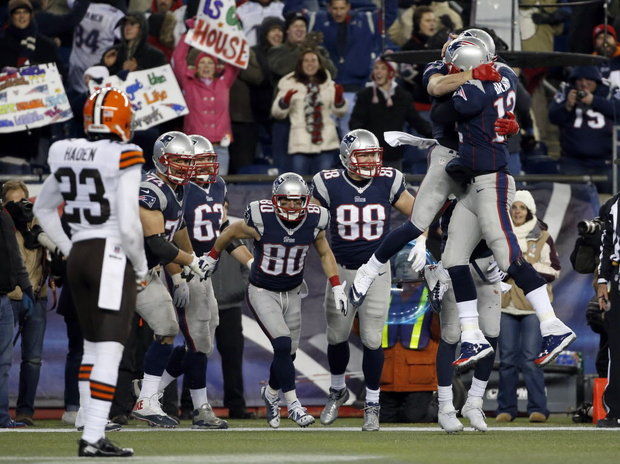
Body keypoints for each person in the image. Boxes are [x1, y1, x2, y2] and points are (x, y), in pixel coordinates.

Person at [349, 33, 574, 369]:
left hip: (485, 172)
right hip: (463, 164)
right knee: (453, 257)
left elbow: (443, 110)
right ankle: (471, 336)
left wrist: (475, 88)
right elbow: (438, 88)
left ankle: (552, 324)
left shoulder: (477, 88)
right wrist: (473, 79)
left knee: (504, 251)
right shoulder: (499, 75)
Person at [33, 87, 147, 456]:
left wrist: (69, 248)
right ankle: (94, 436)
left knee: (92, 349)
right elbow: (129, 224)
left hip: (80, 252)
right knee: (110, 350)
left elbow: (43, 209)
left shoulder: (65, 151)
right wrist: (142, 266)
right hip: (111, 254)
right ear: (123, 121)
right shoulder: (124, 154)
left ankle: (89, 426)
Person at [200, 173, 348, 428]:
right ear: (275, 200)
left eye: (297, 201)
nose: (291, 207)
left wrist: (336, 285)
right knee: (281, 344)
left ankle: (270, 393)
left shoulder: (315, 219)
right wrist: (213, 256)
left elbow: (324, 252)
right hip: (262, 290)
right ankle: (293, 405)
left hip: (293, 291)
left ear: (306, 200)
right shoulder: (262, 217)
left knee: (287, 355)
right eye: (286, 201)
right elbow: (229, 231)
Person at [311, 129, 416, 431]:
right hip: (343, 270)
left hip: (378, 269)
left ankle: (372, 403)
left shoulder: (388, 179)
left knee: (372, 339)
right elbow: (315, 227)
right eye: (364, 155)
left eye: (374, 154)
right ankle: (336, 390)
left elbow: (417, 214)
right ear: (346, 158)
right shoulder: (327, 183)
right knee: (337, 336)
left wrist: (421, 242)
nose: (371, 161)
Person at [154, 135, 252, 429]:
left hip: (204, 270)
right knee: (198, 342)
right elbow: (167, 238)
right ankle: (200, 409)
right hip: (186, 267)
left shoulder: (218, 185)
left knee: (202, 342)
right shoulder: (178, 190)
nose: (208, 166)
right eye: (200, 160)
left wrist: (249, 262)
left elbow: (222, 231)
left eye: (211, 159)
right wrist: (177, 275)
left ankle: (150, 392)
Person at [130, 131, 209, 428]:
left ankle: (147, 400)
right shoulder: (150, 189)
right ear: (160, 161)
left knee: (167, 329)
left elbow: (177, 229)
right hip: (119, 270)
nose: (184, 167)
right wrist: (191, 261)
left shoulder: (177, 187)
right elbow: (156, 243)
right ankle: (86, 411)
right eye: (177, 161)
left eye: (187, 161)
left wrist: (189, 263)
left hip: (146, 272)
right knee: (106, 340)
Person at [284, 0, 398, 134]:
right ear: (328, 7)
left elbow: (389, 14)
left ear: (349, 7)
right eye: (335, 8)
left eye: (342, 8)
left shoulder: (368, 20)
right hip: (324, 90)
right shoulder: (316, 20)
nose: (338, 13)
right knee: (324, 138)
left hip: (355, 90)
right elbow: (290, 12)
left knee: (352, 138)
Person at [496, 190, 560, 423]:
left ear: (529, 210)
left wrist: (526, 267)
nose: (517, 211)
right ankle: (506, 408)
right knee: (506, 360)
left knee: (531, 358)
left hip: (534, 307)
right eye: (513, 207)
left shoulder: (543, 236)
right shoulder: (500, 236)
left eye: (521, 207)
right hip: (506, 305)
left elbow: (555, 270)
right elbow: (492, 268)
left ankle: (538, 409)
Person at [2, 181, 56, 426]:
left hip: (37, 294)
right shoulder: (3, 224)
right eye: (12, 202)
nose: (19, 207)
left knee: (33, 359)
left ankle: (25, 411)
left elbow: (53, 253)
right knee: (3, 358)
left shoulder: (37, 223)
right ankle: (3, 412)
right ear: (4, 204)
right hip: (9, 296)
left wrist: (52, 275)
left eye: (23, 201)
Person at [0, 0, 65, 171]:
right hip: (9, 122)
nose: (22, 16)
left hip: (39, 121)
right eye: (17, 12)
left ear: (31, 15)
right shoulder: (2, 45)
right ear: (11, 16)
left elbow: (60, 74)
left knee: (37, 171)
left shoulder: (46, 45)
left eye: (25, 12)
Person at [172, 31, 239, 175]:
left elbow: (235, 62)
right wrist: (187, 34)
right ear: (196, 67)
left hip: (220, 146)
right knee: (197, 190)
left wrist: (232, 32)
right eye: (202, 62)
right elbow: (178, 59)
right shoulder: (189, 84)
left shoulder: (224, 82)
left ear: (215, 67)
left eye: (210, 63)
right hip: (196, 146)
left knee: (219, 190)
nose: (206, 66)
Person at [271, 48, 347, 175]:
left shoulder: (329, 85)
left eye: (313, 60)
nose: (310, 64)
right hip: (300, 144)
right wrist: (285, 101)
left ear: (319, 63)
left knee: (323, 185)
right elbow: (277, 113)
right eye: (306, 61)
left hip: (326, 144)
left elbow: (340, 112)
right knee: (300, 185)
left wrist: (339, 100)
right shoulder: (289, 84)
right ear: (300, 64)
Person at [349, 58, 431, 170]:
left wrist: (435, 135)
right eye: (376, 68)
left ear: (391, 72)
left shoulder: (403, 96)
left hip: (393, 157)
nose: (378, 71)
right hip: (370, 157)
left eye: (383, 68)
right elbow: (355, 123)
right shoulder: (365, 95)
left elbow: (416, 121)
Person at [548, 65, 620, 194]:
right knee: (575, 202)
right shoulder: (566, 90)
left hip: (605, 162)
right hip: (573, 161)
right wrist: (567, 106)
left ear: (597, 81)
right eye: (579, 80)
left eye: (588, 80)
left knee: (610, 202)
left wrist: (594, 100)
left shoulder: (609, 90)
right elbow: (552, 117)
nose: (583, 84)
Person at [212, 201, 253, 419]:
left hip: (230, 306)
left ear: (227, 208)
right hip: (203, 304)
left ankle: (236, 405)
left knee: (233, 357)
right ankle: (187, 405)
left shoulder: (239, 232)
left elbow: (249, 267)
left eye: (222, 207)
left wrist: (239, 289)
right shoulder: (197, 231)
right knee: (194, 355)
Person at [1, 205, 34, 429]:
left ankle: (2, 417)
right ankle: (1, 417)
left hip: (3, 296)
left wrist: (25, 286)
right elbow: (13, 255)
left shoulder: (3, 216)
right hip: (2, 296)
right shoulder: (3, 216)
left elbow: (13, 254)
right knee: (2, 362)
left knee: (3, 362)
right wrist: (26, 286)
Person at [597, 191, 620, 427]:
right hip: (619, 283)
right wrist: (602, 279)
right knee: (616, 348)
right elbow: (606, 243)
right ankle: (616, 411)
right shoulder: (613, 205)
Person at [101, 12, 167, 75]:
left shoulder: (155, 55)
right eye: (125, 24)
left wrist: (136, 70)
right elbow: (99, 78)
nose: (127, 28)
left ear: (142, 27)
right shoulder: (114, 51)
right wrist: (106, 65)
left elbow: (163, 79)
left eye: (132, 24)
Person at [592, 24, 620, 88]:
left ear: (615, 40)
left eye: (608, 37)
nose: (605, 41)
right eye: (600, 38)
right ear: (595, 42)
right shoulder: (590, 62)